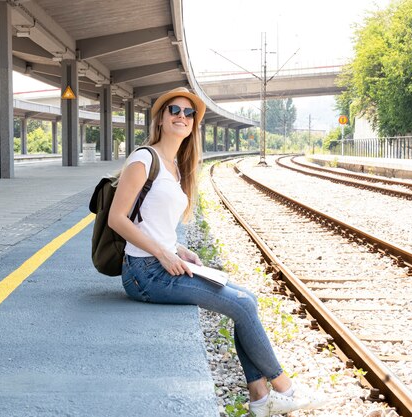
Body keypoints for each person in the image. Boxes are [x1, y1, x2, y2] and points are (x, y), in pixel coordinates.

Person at [107, 87, 328, 417]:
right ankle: (285, 389)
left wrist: (178, 248)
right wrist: (166, 256)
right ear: (161, 119)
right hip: (144, 274)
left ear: (194, 123)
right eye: (174, 111)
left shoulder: (175, 165)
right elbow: (117, 218)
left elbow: (152, 222)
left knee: (247, 300)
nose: (182, 117)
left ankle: (259, 398)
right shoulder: (144, 159)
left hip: (163, 263)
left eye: (188, 113)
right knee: (240, 305)